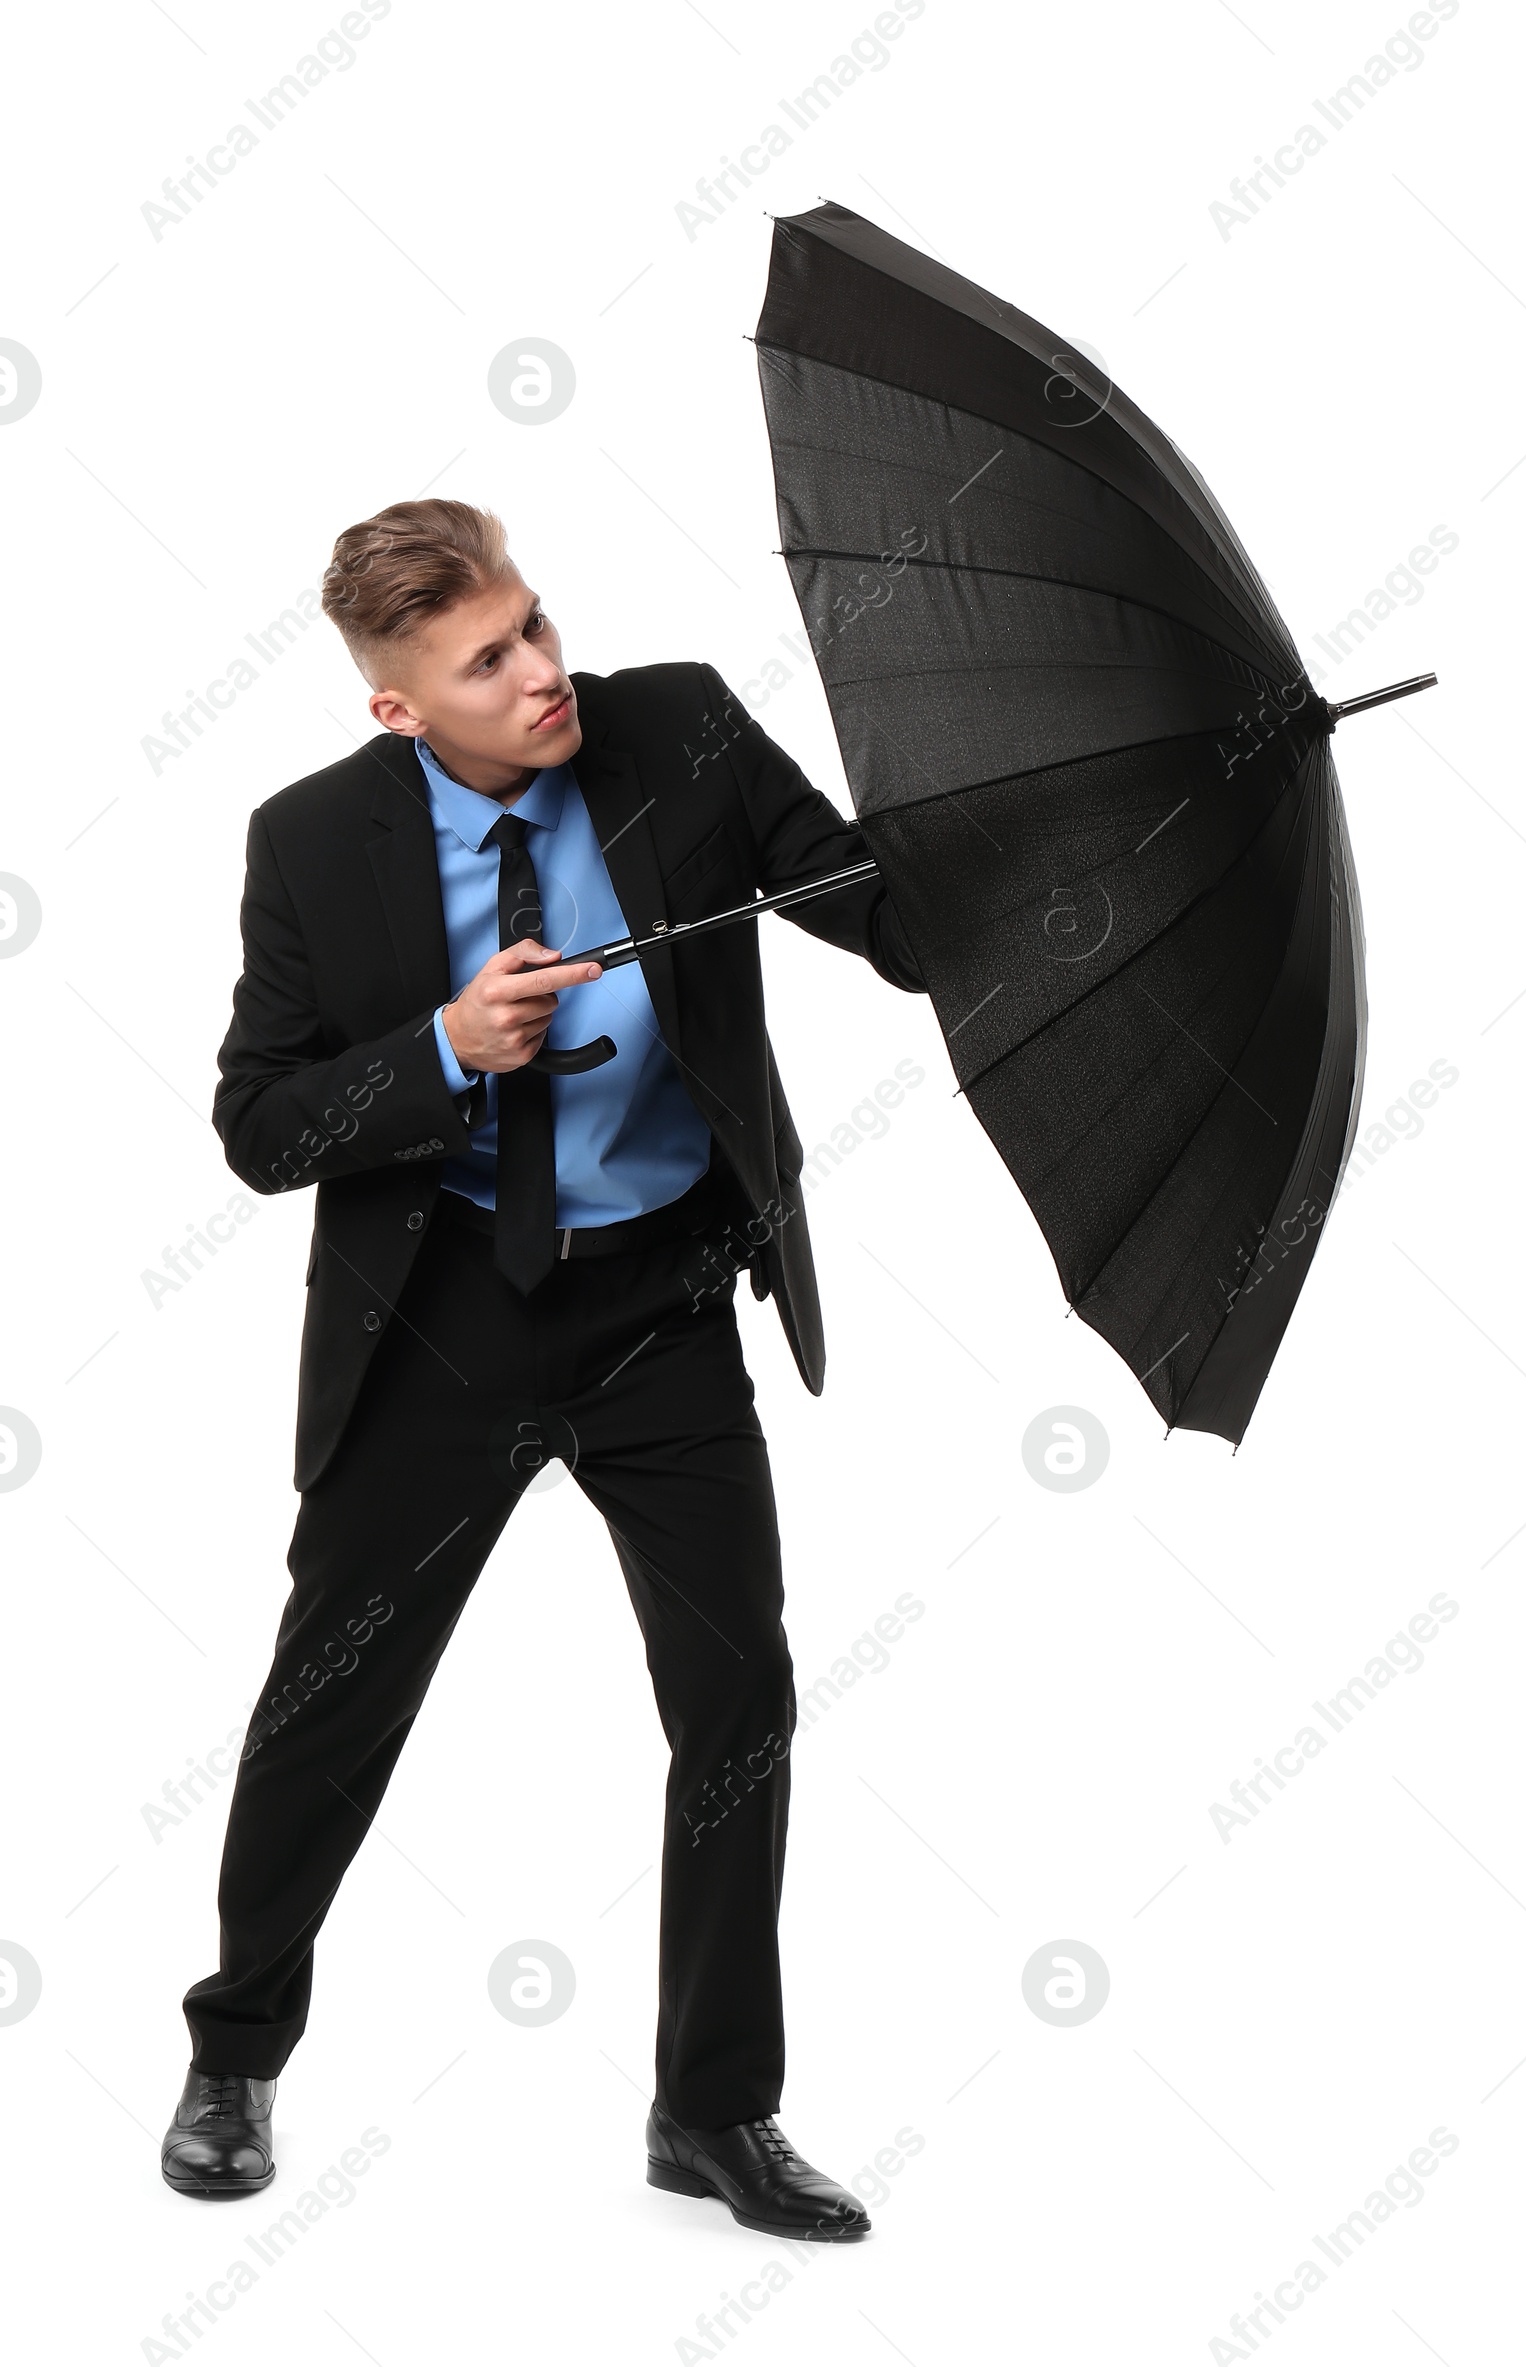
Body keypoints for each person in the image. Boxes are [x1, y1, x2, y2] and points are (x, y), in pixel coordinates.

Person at [160, 498, 925, 2240]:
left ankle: (715, 2112)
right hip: (439, 1313)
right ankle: (235, 2052)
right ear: (399, 708)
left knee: (739, 1697)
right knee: (334, 1692)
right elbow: (257, 1126)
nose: (540, 673)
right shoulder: (311, 844)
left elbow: (878, 913)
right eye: (487, 661)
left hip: (660, 1297)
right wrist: (440, 1049)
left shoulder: (684, 732)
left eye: (535, 625)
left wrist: (1049, 846)